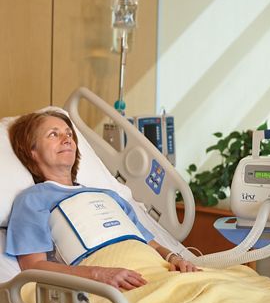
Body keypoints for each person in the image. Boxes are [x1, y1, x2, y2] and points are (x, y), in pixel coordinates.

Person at [6, 110, 200, 291]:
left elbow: (152, 244)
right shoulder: (33, 200)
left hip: (161, 271)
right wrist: (97, 274)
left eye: (69, 134)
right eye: (53, 134)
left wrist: (174, 258)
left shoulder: (108, 196)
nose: (67, 139)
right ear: (32, 151)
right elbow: (34, 267)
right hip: (115, 286)